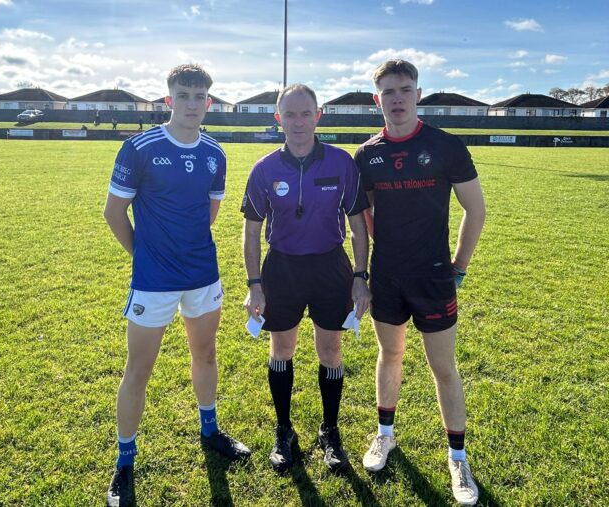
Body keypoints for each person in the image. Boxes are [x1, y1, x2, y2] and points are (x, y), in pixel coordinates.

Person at [103, 64, 251, 507]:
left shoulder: (215, 153)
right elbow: (114, 213)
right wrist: (145, 256)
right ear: (169, 100)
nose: (192, 104)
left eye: (199, 96)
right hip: (154, 282)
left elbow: (209, 215)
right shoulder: (139, 147)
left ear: (209, 101)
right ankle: (124, 461)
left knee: (205, 353)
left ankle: (210, 430)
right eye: (183, 95)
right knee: (138, 370)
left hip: (203, 276)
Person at [354, 60, 485, 506]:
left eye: (404, 90)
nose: (396, 99)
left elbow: (476, 209)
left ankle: (458, 458)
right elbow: (364, 215)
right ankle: (385, 435)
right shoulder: (367, 154)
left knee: (443, 368)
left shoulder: (446, 146)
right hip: (388, 277)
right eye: (387, 92)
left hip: (433, 278)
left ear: (418, 94)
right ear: (377, 99)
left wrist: (459, 266)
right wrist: (377, 259)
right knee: (389, 353)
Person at [241, 84, 372, 474]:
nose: (298, 122)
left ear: (319, 115)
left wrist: (360, 276)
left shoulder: (341, 162)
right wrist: (254, 284)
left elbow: (358, 228)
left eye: (305, 113)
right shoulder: (264, 169)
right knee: (281, 351)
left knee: (330, 352)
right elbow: (250, 232)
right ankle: (284, 431)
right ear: (278, 118)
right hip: (281, 268)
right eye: (290, 114)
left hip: (330, 267)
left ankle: (330, 431)